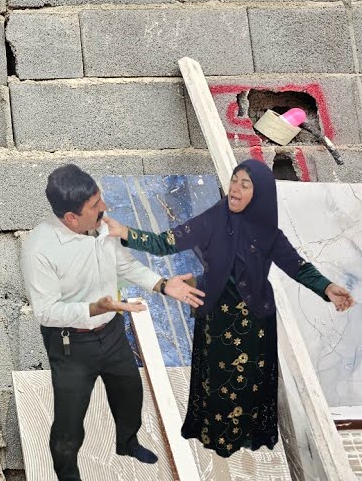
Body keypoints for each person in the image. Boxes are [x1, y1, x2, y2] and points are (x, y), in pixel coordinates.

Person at [105, 159, 355, 458]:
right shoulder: (211, 221)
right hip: (216, 318)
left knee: (249, 385)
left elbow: (297, 267)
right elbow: (165, 243)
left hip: (255, 322)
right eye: (234, 181)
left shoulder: (268, 232)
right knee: (218, 384)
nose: (235, 188)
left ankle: (249, 450)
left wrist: (327, 288)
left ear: (259, 194)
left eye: (245, 185)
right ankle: (218, 444)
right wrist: (126, 233)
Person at [22, 164, 205, 480]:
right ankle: (67, 474)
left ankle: (127, 443)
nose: (104, 208)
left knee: (129, 392)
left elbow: (127, 267)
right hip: (70, 343)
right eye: (95, 206)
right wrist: (94, 307)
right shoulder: (40, 248)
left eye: (100, 199)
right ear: (71, 218)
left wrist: (163, 284)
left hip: (112, 332)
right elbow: (46, 312)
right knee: (69, 417)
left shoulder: (104, 228)